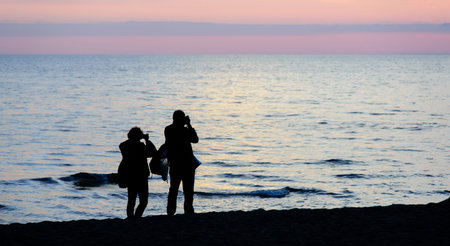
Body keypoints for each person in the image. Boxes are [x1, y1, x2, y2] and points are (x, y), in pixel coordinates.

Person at [165, 110, 199, 216]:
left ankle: (172, 212)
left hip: (177, 164)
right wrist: (189, 125)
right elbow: (195, 139)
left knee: (175, 189)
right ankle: (187, 211)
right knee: (187, 190)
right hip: (185, 164)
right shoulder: (181, 130)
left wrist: (187, 125)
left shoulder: (169, 129)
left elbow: (195, 140)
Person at [119, 127, 156, 219]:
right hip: (140, 175)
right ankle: (136, 217)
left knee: (131, 200)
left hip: (130, 174)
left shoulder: (124, 145)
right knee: (143, 201)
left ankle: (132, 218)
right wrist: (147, 140)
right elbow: (153, 152)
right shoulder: (140, 146)